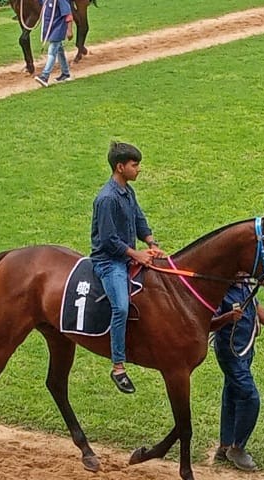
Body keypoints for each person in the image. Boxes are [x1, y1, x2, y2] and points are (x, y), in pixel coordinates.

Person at [91, 142, 164, 393]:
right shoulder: (107, 199)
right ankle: (118, 366)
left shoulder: (127, 192)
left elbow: (139, 220)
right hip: (110, 262)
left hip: (128, 256)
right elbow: (109, 241)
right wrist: (138, 255)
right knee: (121, 307)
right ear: (120, 167)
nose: (139, 169)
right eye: (135, 165)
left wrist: (152, 243)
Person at [211, 281, 264, 472]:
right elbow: (208, 324)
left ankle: (225, 445)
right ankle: (237, 449)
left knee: (231, 393)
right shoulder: (219, 291)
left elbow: (256, 306)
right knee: (249, 397)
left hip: (245, 350)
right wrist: (229, 317)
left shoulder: (244, 286)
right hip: (230, 352)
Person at [33, 0, 74, 87]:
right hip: (51, 28)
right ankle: (65, 74)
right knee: (59, 50)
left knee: (52, 52)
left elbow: (68, 14)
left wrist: (69, 30)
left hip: (58, 29)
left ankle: (45, 76)